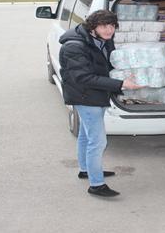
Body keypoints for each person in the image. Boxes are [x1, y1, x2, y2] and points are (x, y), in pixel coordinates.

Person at [59, 10, 143, 197]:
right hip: (85, 96)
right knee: (98, 141)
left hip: (96, 94)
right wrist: (120, 84)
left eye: (112, 26)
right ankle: (96, 184)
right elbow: (83, 77)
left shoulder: (102, 39)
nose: (109, 30)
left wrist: (124, 73)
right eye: (104, 26)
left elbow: (106, 64)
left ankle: (86, 170)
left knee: (85, 135)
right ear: (93, 27)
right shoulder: (74, 46)